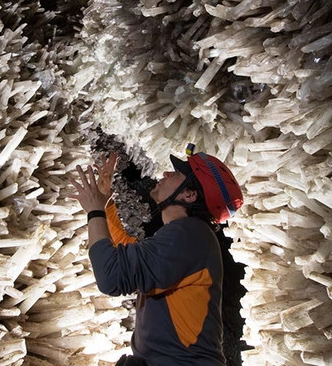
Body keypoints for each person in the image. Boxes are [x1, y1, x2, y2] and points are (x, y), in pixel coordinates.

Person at [71, 144, 244, 366]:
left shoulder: (190, 235)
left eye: (177, 173)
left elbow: (112, 276)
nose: (166, 173)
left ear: (189, 194)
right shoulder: (190, 236)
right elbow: (128, 253)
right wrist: (105, 204)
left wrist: (94, 211)